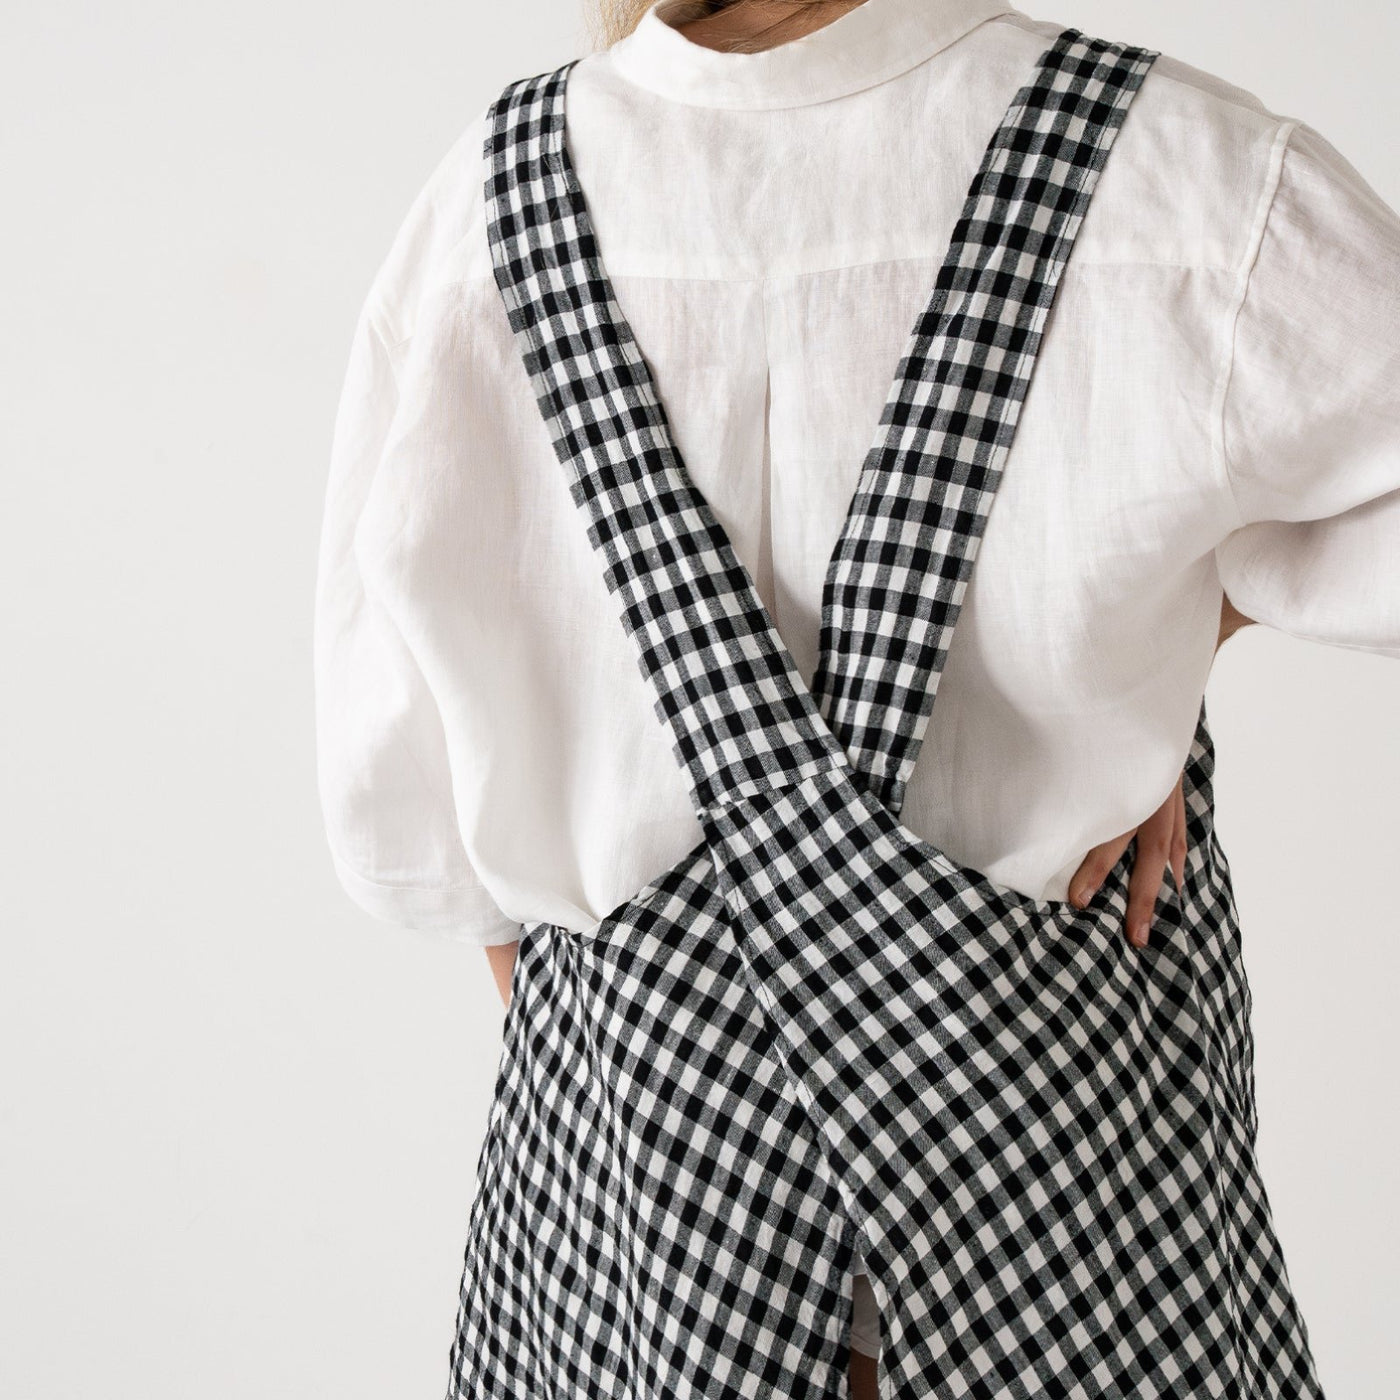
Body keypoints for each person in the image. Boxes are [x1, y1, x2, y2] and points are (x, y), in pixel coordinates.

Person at [314, 2, 1400, 1395]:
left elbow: (402, 827)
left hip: (641, 1224)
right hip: (1071, 1216)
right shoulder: (1185, 176)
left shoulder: (481, 214)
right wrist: (1191, 620)